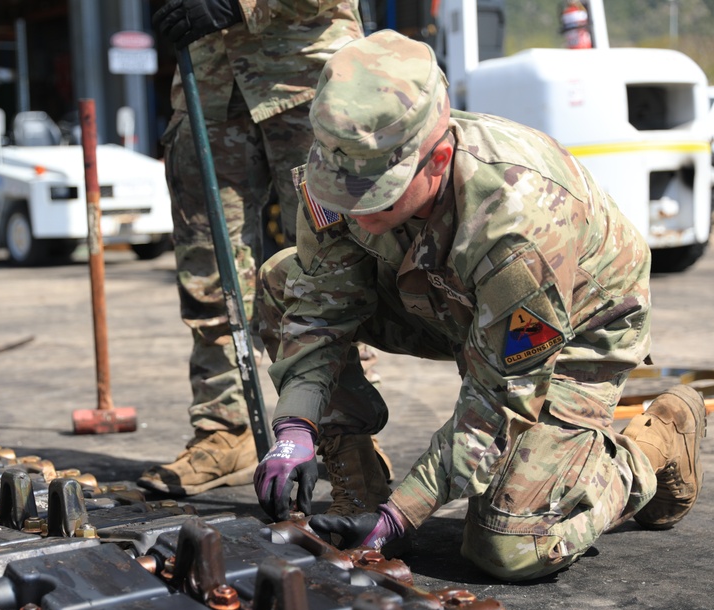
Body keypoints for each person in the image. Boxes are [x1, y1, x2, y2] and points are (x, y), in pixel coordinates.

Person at [253, 29, 706, 580]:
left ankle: (649, 452)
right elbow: (318, 309)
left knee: (508, 546)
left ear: (439, 158)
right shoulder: (342, 166)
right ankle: (358, 480)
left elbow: (500, 402)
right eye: (341, 190)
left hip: (574, 329)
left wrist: (403, 517)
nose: (355, 211)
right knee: (282, 280)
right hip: (451, 299)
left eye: (378, 193)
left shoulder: (517, 228)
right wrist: (295, 428)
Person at [137, 0, 393, 516]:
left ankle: (348, 436)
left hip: (305, 77)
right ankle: (223, 427)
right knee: (208, 269)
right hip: (207, 88)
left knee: (335, 262)